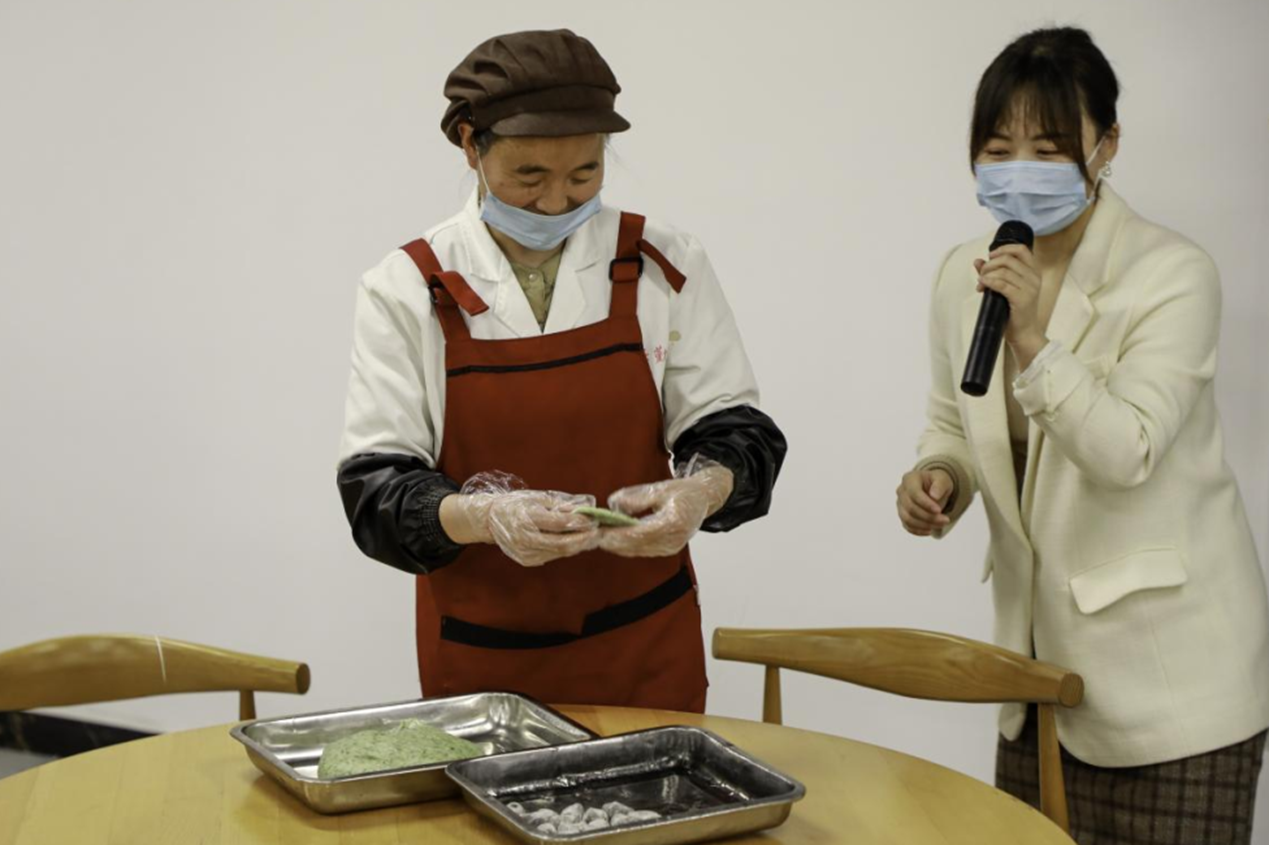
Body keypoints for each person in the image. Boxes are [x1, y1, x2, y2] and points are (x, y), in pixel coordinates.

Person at [337, 29, 785, 714]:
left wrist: (701, 491)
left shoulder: (662, 261)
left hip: (646, 642)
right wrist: (488, 516)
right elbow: (376, 496)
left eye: (584, 174)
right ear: (470, 144)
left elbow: (734, 429)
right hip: (483, 657)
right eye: (529, 177)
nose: (556, 203)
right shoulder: (407, 286)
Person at [897, 26, 1269, 845]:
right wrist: (939, 474)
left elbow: (1126, 450)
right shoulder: (965, 272)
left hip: (1173, 699)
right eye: (998, 149)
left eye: (1048, 148)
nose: (1018, 167)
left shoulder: (1171, 274)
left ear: (1106, 146)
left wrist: (1033, 339)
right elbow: (953, 418)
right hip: (1034, 687)